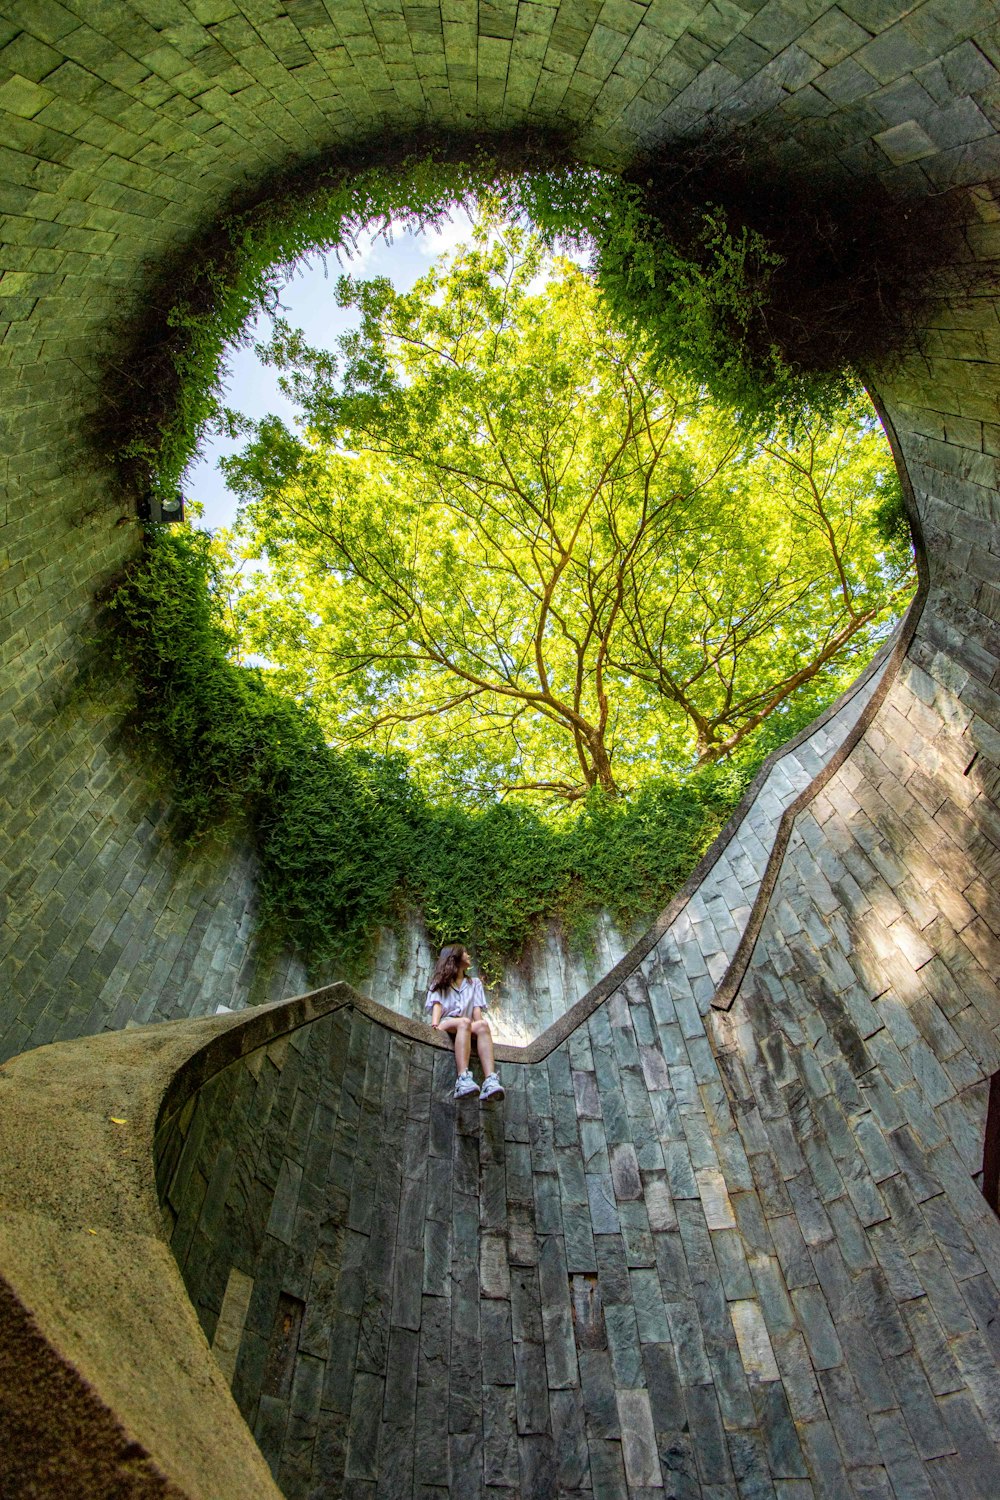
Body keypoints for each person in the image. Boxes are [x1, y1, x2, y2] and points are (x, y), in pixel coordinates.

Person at [425, 942, 504, 1102]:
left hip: (466, 1024)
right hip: (447, 1022)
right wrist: (434, 1024)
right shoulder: (440, 982)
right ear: (455, 957)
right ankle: (462, 1079)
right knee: (464, 1022)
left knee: (481, 1025)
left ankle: (490, 1081)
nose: (468, 956)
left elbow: (477, 1014)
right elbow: (437, 1006)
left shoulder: (474, 984)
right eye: (465, 953)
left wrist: (482, 1032)